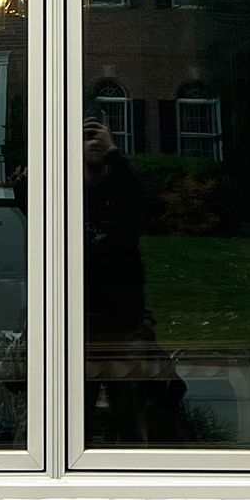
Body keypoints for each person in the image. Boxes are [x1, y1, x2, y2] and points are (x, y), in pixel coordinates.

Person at [81, 109, 188, 444]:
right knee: (72, 423)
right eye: (85, 135)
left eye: (99, 133)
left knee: (130, 421)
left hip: (121, 323)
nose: (93, 141)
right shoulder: (61, 186)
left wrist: (113, 153)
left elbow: (144, 203)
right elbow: (26, 194)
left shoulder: (122, 185)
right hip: (73, 326)